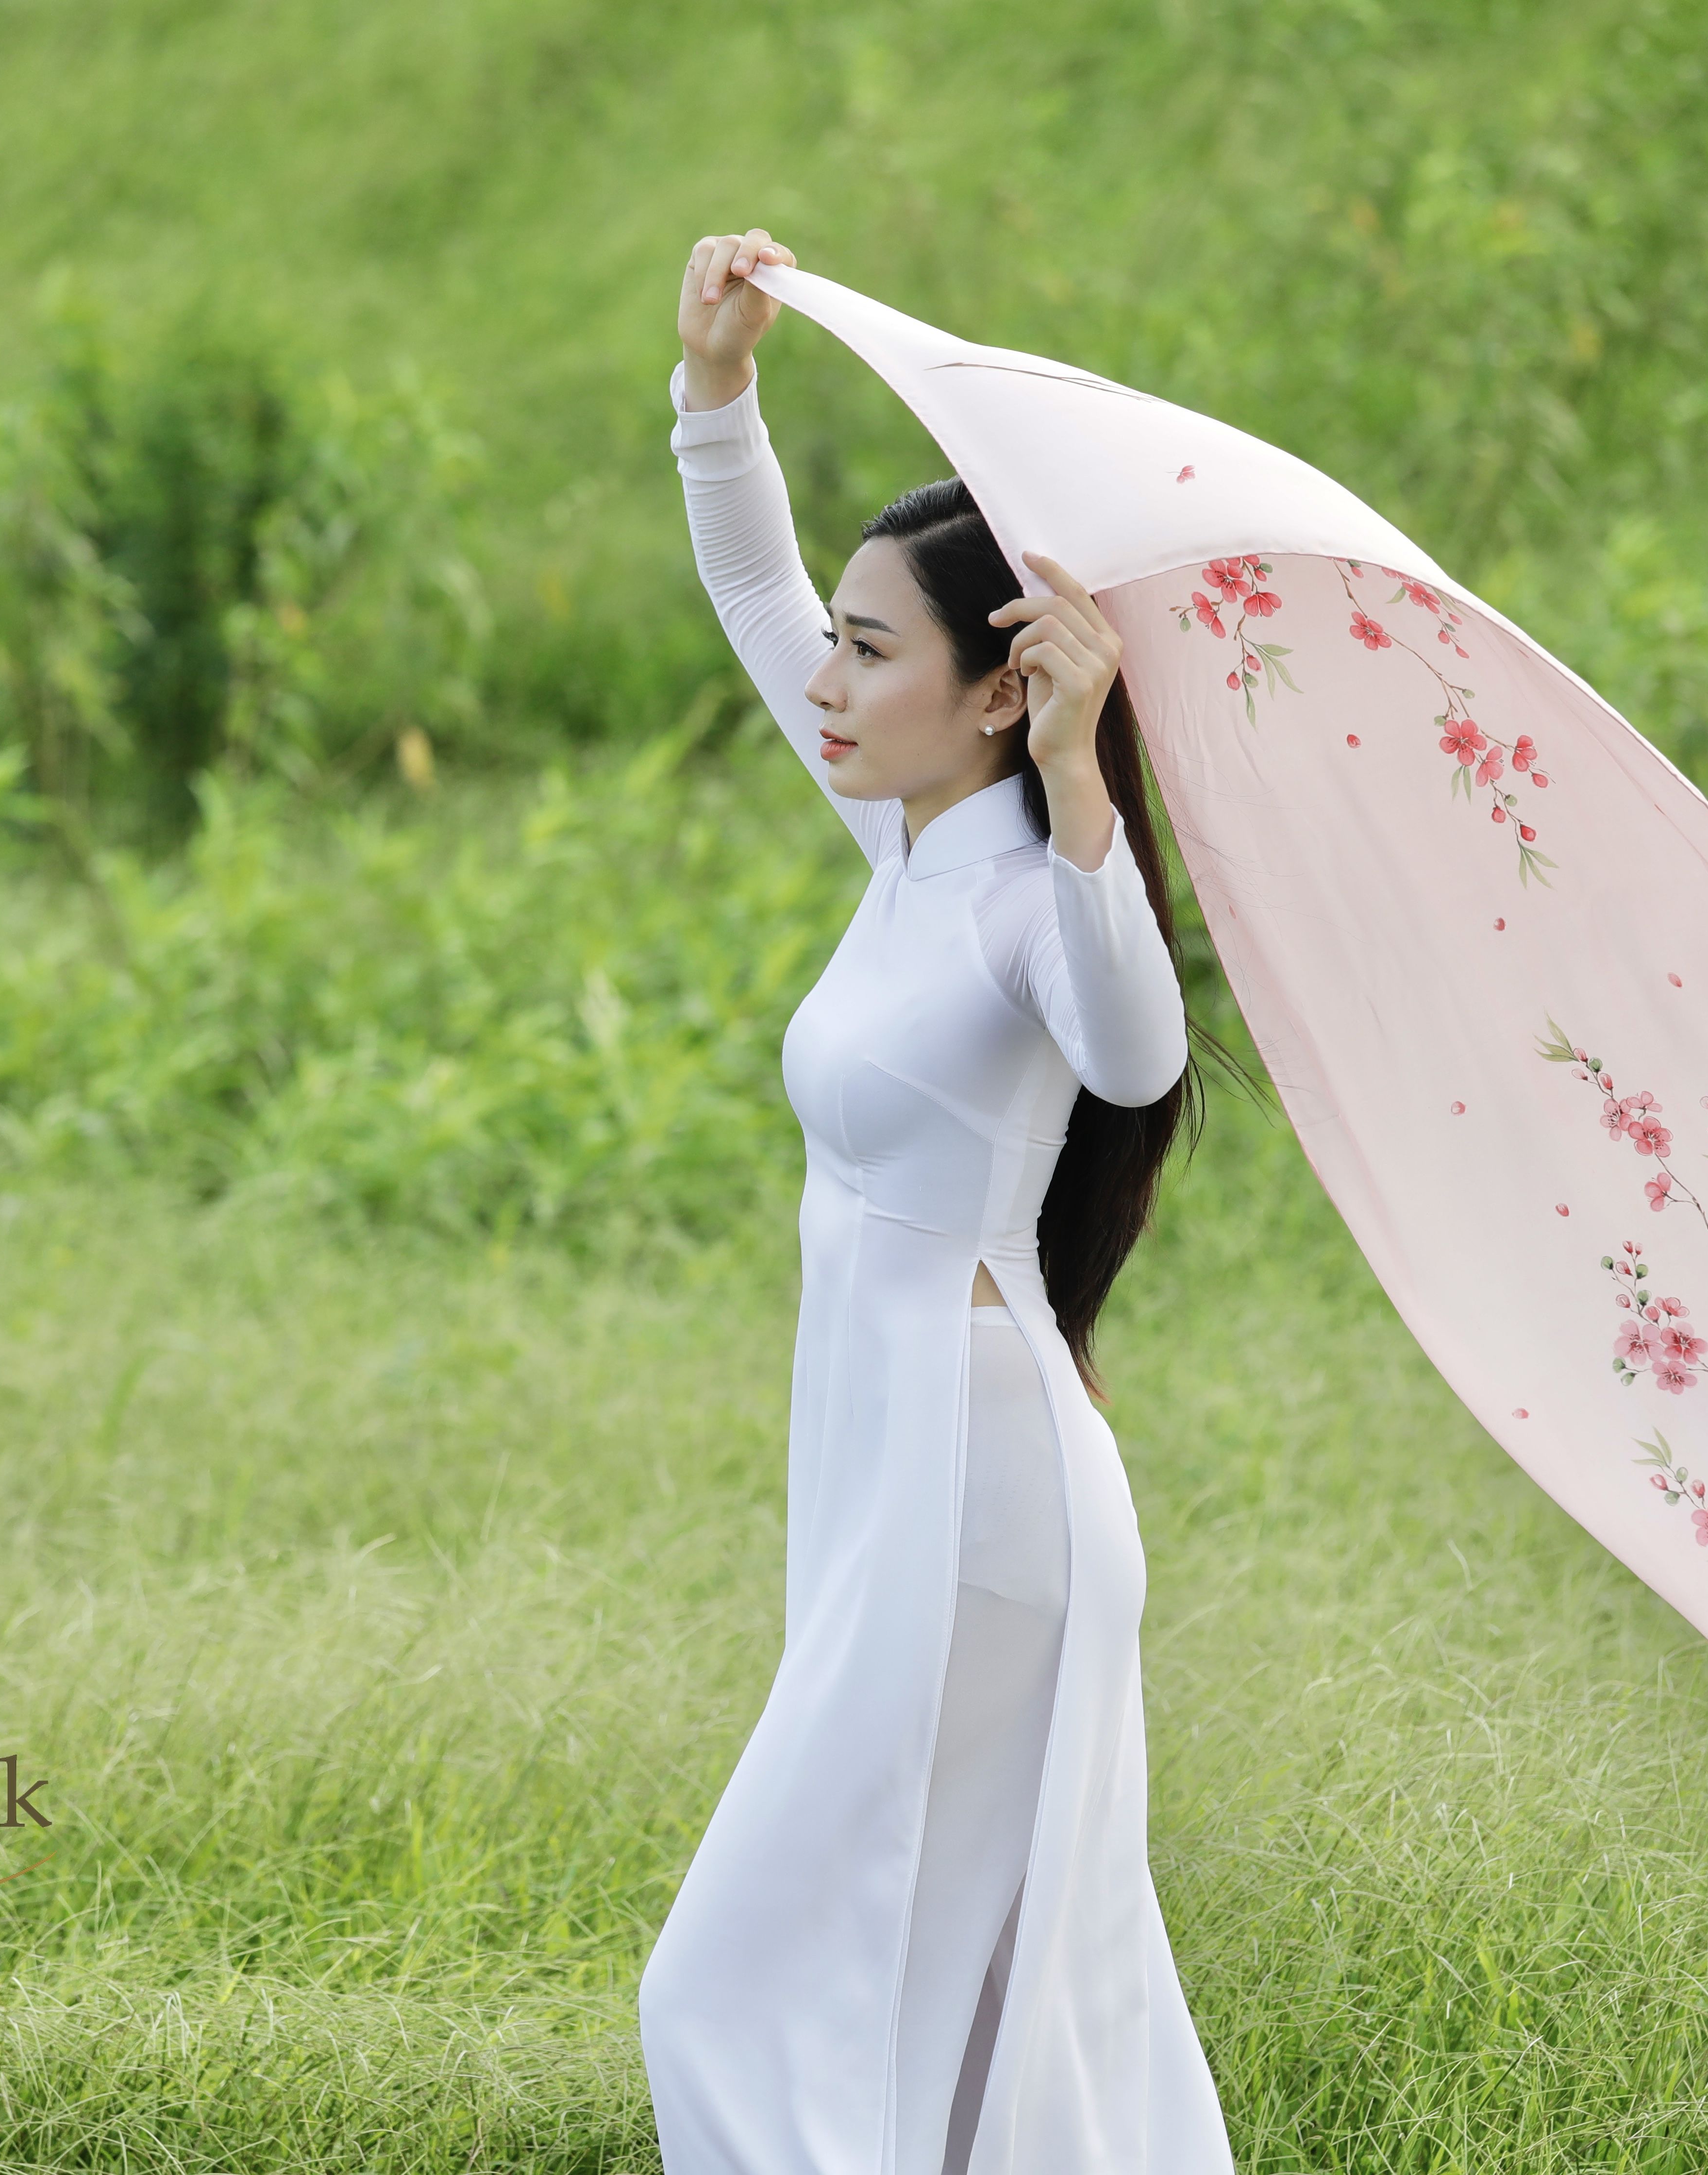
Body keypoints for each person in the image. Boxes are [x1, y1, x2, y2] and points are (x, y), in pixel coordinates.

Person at [637, 229, 1238, 2174]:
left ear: (998, 698)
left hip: (976, 1495)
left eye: (873, 650)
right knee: (938, 1996)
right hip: (896, 1464)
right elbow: (750, 584)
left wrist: (1084, 781)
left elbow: (1134, 1058)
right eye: (841, 639)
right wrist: (717, 386)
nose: (824, 679)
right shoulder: (907, 844)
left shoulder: (1031, 898)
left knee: (729, 1986)